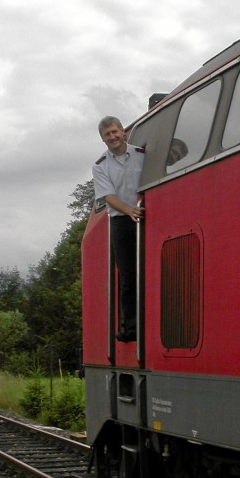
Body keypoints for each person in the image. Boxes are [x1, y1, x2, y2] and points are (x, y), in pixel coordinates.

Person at [92, 116, 145, 342]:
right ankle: (130, 329)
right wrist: (129, 210)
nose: (112, 137)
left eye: (115, 132)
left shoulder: (143, 155)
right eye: (107, 135)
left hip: (148, 216)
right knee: (127, 275)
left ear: (123, 131)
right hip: (121, 222)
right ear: (102, 139)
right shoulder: (100, 166)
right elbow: (109, 197)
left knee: (149, 270)